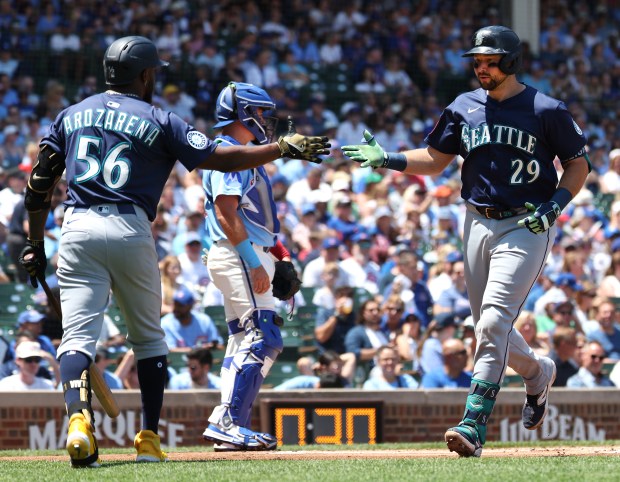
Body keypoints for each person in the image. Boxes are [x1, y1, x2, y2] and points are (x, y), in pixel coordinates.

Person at [17, 36, 328, 468]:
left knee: (76, 341)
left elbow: (38, 185)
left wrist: (34, 240)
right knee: (148, 339)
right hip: (129, 227)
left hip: (76, 226)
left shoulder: (70, 114)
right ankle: (147, 438)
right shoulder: (159, 117)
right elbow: (221, 158)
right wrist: (280, 148)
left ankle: (78, 422)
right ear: (145, 75)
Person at [343, 25, 590, 457]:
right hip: (475, 222)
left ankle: (473, 424)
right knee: (488, 326)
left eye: (489, 61)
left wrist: (555, 206)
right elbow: (436, 160)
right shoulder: (463, 106)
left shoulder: (546, 108)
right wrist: (389, 159)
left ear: (510, 62)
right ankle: (537, 373)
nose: (481, 68)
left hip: (525, 224)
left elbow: (577, 164)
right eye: (477, 61)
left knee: (494, 323)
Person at [201, 82, 303, 452]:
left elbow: (252, 217)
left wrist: (280, 256)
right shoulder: (228, 152)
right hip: (238, 254)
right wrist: (252, 260)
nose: (265, 120)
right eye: (260, 113)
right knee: (262, 337)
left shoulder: (242, 155)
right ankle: (228, 421)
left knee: (243, 339)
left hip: (246, 251)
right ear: (244, 113)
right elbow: (225, 212)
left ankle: (232, 426)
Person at [161, 285, 223, 352]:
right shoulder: (165, 323)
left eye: (180, 306)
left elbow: (220, 346)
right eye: (175, 304)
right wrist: (198, 350)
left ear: (190, 306)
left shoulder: (204, 320)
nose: (176, 308)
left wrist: (212, 347)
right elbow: (170, 350)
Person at [273, 351, 356, 390]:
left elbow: (351, 356)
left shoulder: (344, 379)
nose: (339, 369)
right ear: (324, 367)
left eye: (341, 365)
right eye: (336, 366)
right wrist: (320, 364)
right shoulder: (314, 379)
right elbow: (303, 362)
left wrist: (335, 359)